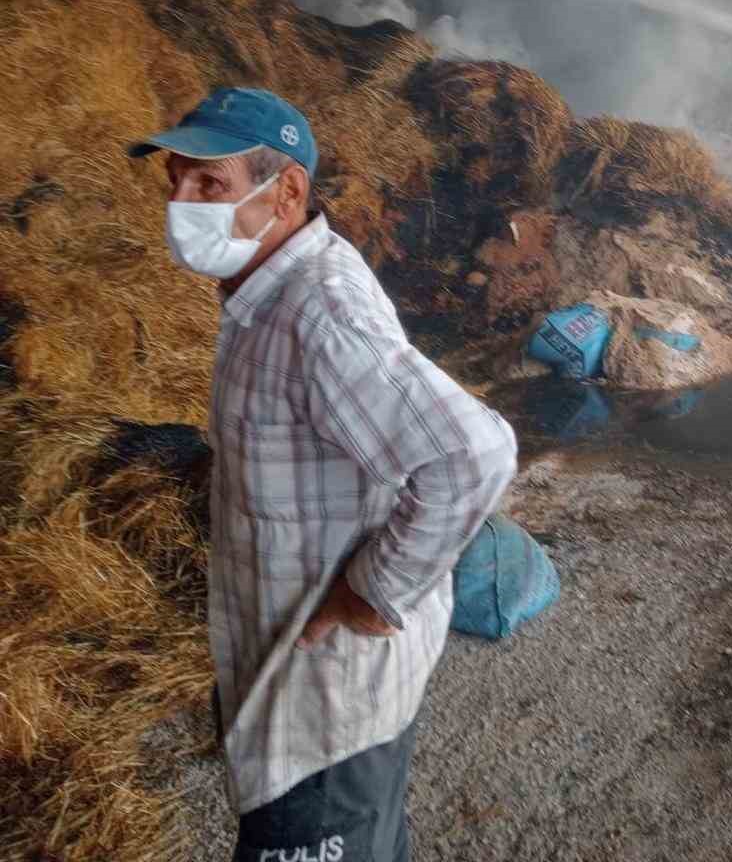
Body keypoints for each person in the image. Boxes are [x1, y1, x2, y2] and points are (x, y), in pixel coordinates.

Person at [129, 86, 517, 862]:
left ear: (289, 192)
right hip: (283, 670)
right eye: (176, 178)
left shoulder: (320, 316)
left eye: (210, 184)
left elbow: (474, 453)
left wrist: (372, 591)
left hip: (328, 702)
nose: (181, 201)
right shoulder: (263, 292)